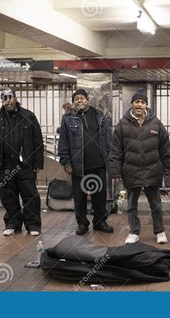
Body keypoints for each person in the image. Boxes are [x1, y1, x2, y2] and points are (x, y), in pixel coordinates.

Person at [109, 89, 170, 244]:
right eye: (137, 102)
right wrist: (116, 171)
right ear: (132, 104)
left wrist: (169, 167)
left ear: (146, 105)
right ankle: (134, 232)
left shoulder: (156, 123)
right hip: (131, 171)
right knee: (131, 205)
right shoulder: (122, 125)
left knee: (156, 204)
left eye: (142, 102)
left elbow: (165, 146)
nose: (139, 105)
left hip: (152, 170)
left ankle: (160, 231)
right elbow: (115, 150)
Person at [0, 87, 44, 236]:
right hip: (4, 165)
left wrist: (38, 163)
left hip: (25, 165)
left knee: (30, 195)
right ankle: (13, 223)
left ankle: (33, 225)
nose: (8, 102)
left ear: (15, 98)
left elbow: (38, 140)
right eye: (4, 98)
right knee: (8, 196)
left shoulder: (28, 116)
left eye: (10, 97)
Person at [58, 89, 114, 235]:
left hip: (99, 164)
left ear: (87, 100)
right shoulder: (68, 119)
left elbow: (107, 139)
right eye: (76, 98)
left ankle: (100, 222)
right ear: (73, 101)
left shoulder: (99, 115)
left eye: (82, 98)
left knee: (100, 196)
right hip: (78, 167)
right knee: (80, 197)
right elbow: (63, 142)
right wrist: (66, 162)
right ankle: (82, 224)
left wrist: (110, 158)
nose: (79, 100)